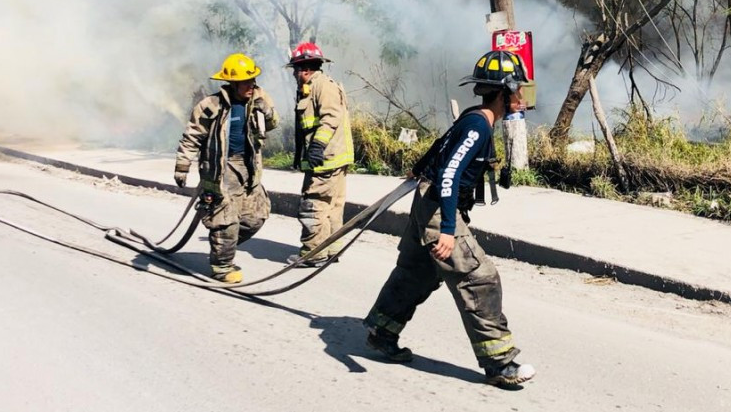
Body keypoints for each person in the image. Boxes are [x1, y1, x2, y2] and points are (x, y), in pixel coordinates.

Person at [363, 50, 536, 388]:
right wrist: (446, 230)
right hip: (438, 208)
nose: (523, 97)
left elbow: (443, 144)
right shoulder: (478, 127)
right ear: (503, 91)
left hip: (427, 202)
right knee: (478, 277)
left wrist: (420, 164)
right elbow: (451, 174)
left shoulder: (475, 117)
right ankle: (500, 364)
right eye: (518, 90)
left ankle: (382, 332)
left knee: (417, 272)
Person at [174, 53, 279, 283]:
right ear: (232, 83)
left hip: (249, 167)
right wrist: (182, 166)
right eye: (246, 81)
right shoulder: (211, 106)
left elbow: (272, 124)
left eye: (253, 80)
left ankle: (222, 243)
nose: (252, 85)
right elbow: (191, 136)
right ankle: (222, 265)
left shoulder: (258, 100)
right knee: (225, 218)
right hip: (221, 168)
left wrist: (267, 110)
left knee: (256, 216)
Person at [286, 42, 354, 267]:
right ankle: (331, 250)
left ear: (305, 69)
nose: (295, 74)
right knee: (332, 206)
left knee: (314, 205)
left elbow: (330, 118)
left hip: (325, 160)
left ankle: (312, 254)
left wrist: (316, 147)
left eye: (296, 69)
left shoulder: (322, 86)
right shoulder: (313, 87)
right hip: (332, 158)